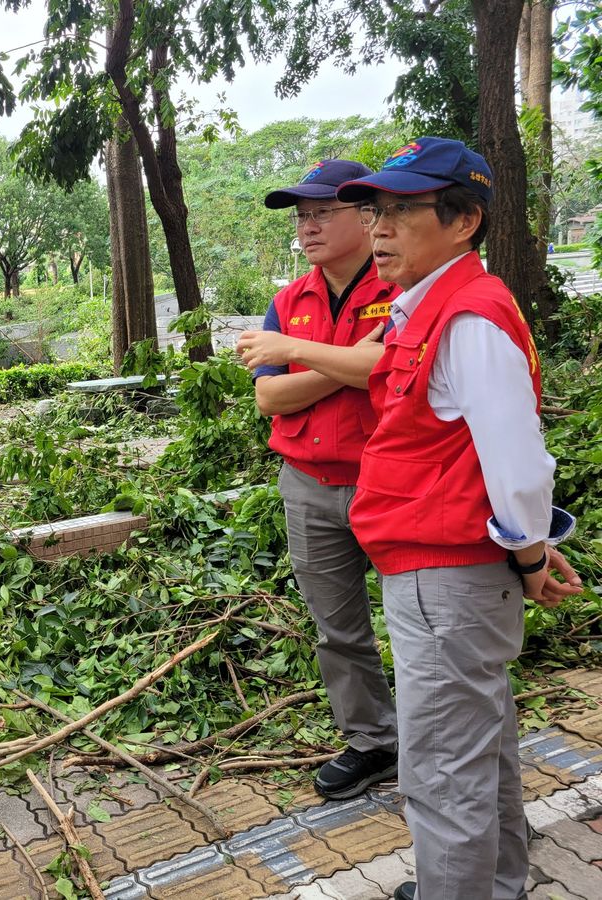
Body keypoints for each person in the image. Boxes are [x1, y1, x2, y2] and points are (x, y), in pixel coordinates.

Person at [333, 138, 584, 900]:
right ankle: (495, 885)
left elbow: (518, 464)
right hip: (443, 575)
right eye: (378, 208)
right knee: (478, 749)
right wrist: (527, 555)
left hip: (443, 580)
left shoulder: (468, 318)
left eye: (403, 209)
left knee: (443, 768)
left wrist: (534, 557)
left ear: (465, 219)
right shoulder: (434, 307)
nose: (379, 228)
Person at [235, 159, 400, 800]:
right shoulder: (290, 299)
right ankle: (373, 742)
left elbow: (390, 370)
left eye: (321, 212)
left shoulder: (399, 287)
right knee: (339, 628)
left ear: (367, 215)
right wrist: (356, 362)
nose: (307, 226)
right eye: (302, 216)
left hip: (387, 483)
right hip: (306, 483)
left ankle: (439, 746)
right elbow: (270, 401)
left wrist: (298, 354)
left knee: (418, 624)